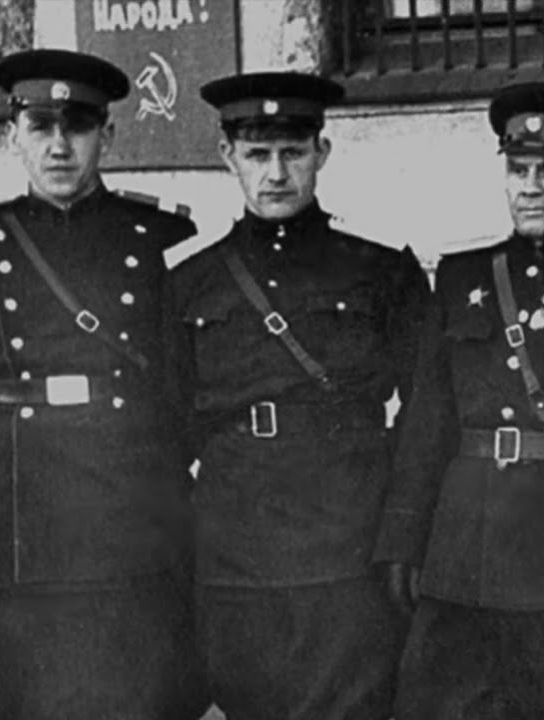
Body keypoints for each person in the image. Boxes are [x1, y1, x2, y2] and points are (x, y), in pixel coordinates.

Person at [0, 49, 205, 720]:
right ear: (11, 135)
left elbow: (188, 383)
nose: (58, 146)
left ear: (108, 136)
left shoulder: (161, 238)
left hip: (131, 514)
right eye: (40, 126)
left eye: (76, 127)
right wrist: (5, 460)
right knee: (18, 690)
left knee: (140, 688)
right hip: (18, 518)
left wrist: (147, 463)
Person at [374, 81, 544, 720]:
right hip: (461, 557)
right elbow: (427, 420)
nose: (529, 187)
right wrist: (403, 539)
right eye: (517, 169)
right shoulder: (461, 276)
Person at [166, 71, 430, 719]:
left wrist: (400, 533)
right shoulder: (190, 280)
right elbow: (167, 421)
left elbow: (427, 410)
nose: (276, 173)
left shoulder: (380, 267)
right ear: (228, 156)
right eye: (257, 154)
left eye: (293, 152)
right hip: (237, 539)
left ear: (322, 153)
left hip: (348, 535)